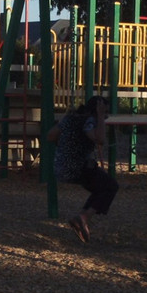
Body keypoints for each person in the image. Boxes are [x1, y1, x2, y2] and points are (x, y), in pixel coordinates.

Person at [48, 95, 119, 242]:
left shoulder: (70, 118)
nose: (106, 116)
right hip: (78, 167)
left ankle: (81, 219)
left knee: (101, 187)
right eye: (105, 113)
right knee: (111, 186)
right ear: (97, 110)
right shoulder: (90, 121)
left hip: (61, 167)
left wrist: (65, 148)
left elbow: (50, 136)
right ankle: (83, 217)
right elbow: (100, 139)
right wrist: (99, 117)